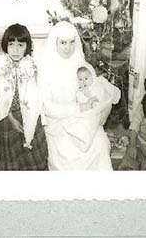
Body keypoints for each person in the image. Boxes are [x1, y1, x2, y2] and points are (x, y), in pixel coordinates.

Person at [37, 21, 120, 170]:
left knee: (100, 143)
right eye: (63, 43)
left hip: (85, 120)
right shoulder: (46, 70)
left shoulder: (82, 65)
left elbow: (96, 91)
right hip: (60, 122)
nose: (68, 48)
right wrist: (77, 109)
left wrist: (99, 109)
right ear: (54, 43)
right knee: (69, 153)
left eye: (71, 42)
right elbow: (48, 108)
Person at [0, 24, 48, 170]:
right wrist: (11, 119)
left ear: (27, 47)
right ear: (6, 45)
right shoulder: (0, 64)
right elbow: (2, 97)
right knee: (12, 162)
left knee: (35, 159)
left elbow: (37, 96)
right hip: (8, 118)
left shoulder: (31, 65)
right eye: (11, 44)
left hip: (30, 115)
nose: (15, 50)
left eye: (20, 45)